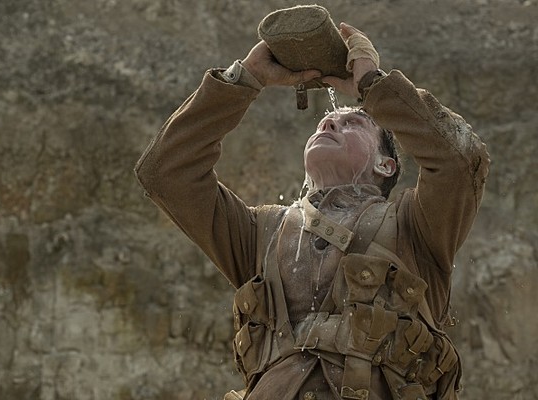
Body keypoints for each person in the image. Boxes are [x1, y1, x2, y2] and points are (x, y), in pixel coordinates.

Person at [135, 21, 489, 400]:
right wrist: (245, 78)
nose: (331, 120)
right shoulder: (261, 231)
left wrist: (373, 86)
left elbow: (461, 161)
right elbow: (165, 172)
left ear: (386, 165)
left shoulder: (414, 225)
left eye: (353, 123)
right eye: (326, 121)